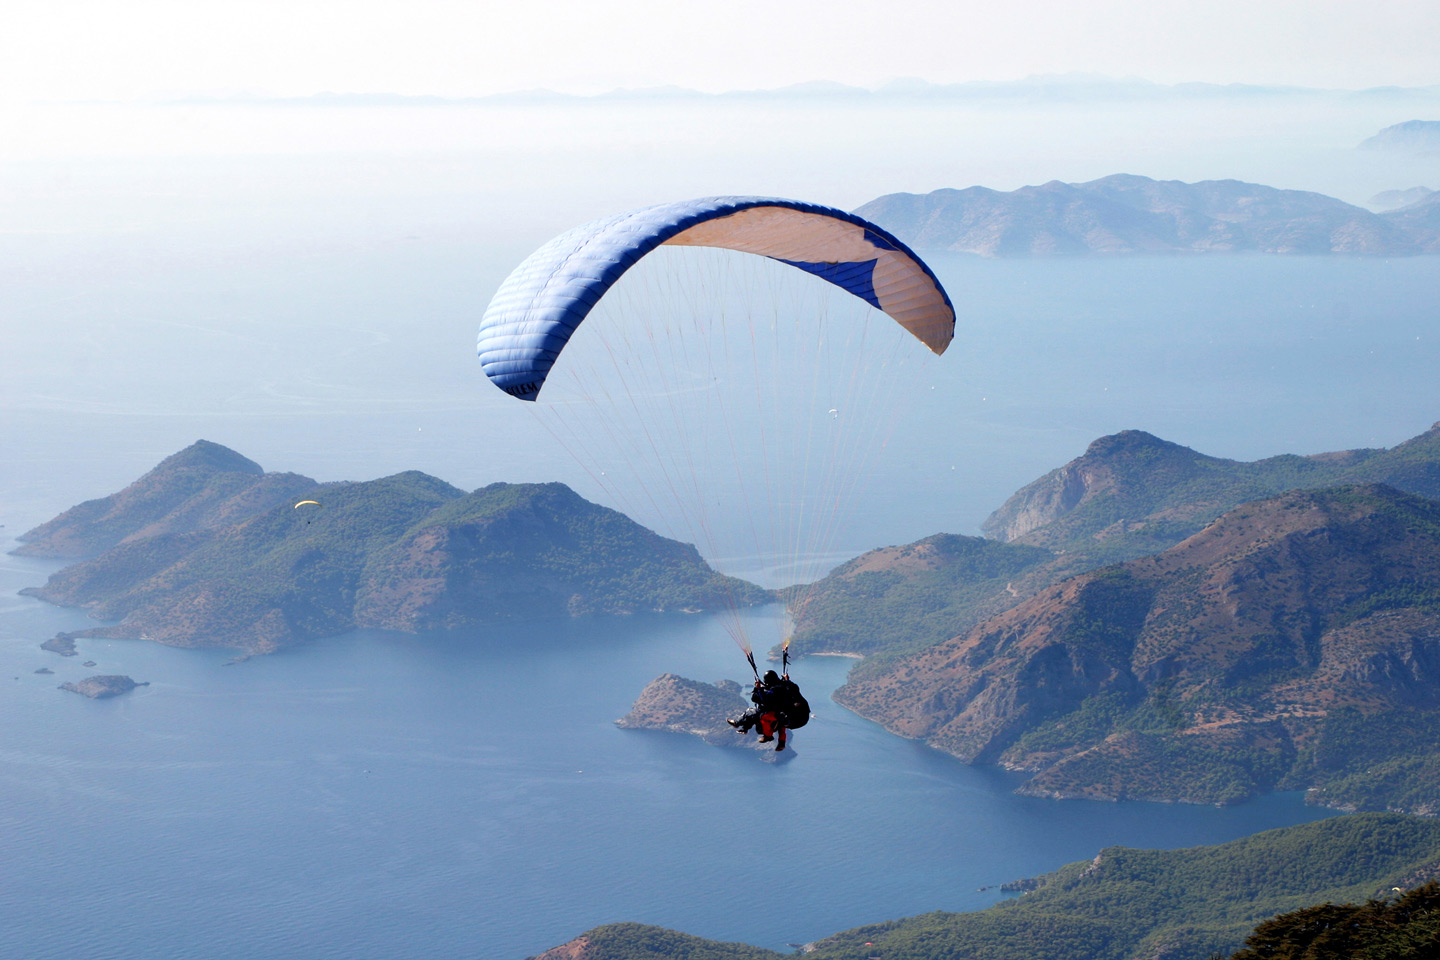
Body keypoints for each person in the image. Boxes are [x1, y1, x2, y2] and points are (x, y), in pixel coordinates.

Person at [728, 670, 803, 751]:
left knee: (755, 714)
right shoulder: (785, 686)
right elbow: (793, 688)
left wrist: (758, 689)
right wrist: (787, 680)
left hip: (776, 714)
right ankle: (781, 743)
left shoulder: (773, 690)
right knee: (781, 726)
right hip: (786, 714)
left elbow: (764, 699)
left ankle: (740, 724)